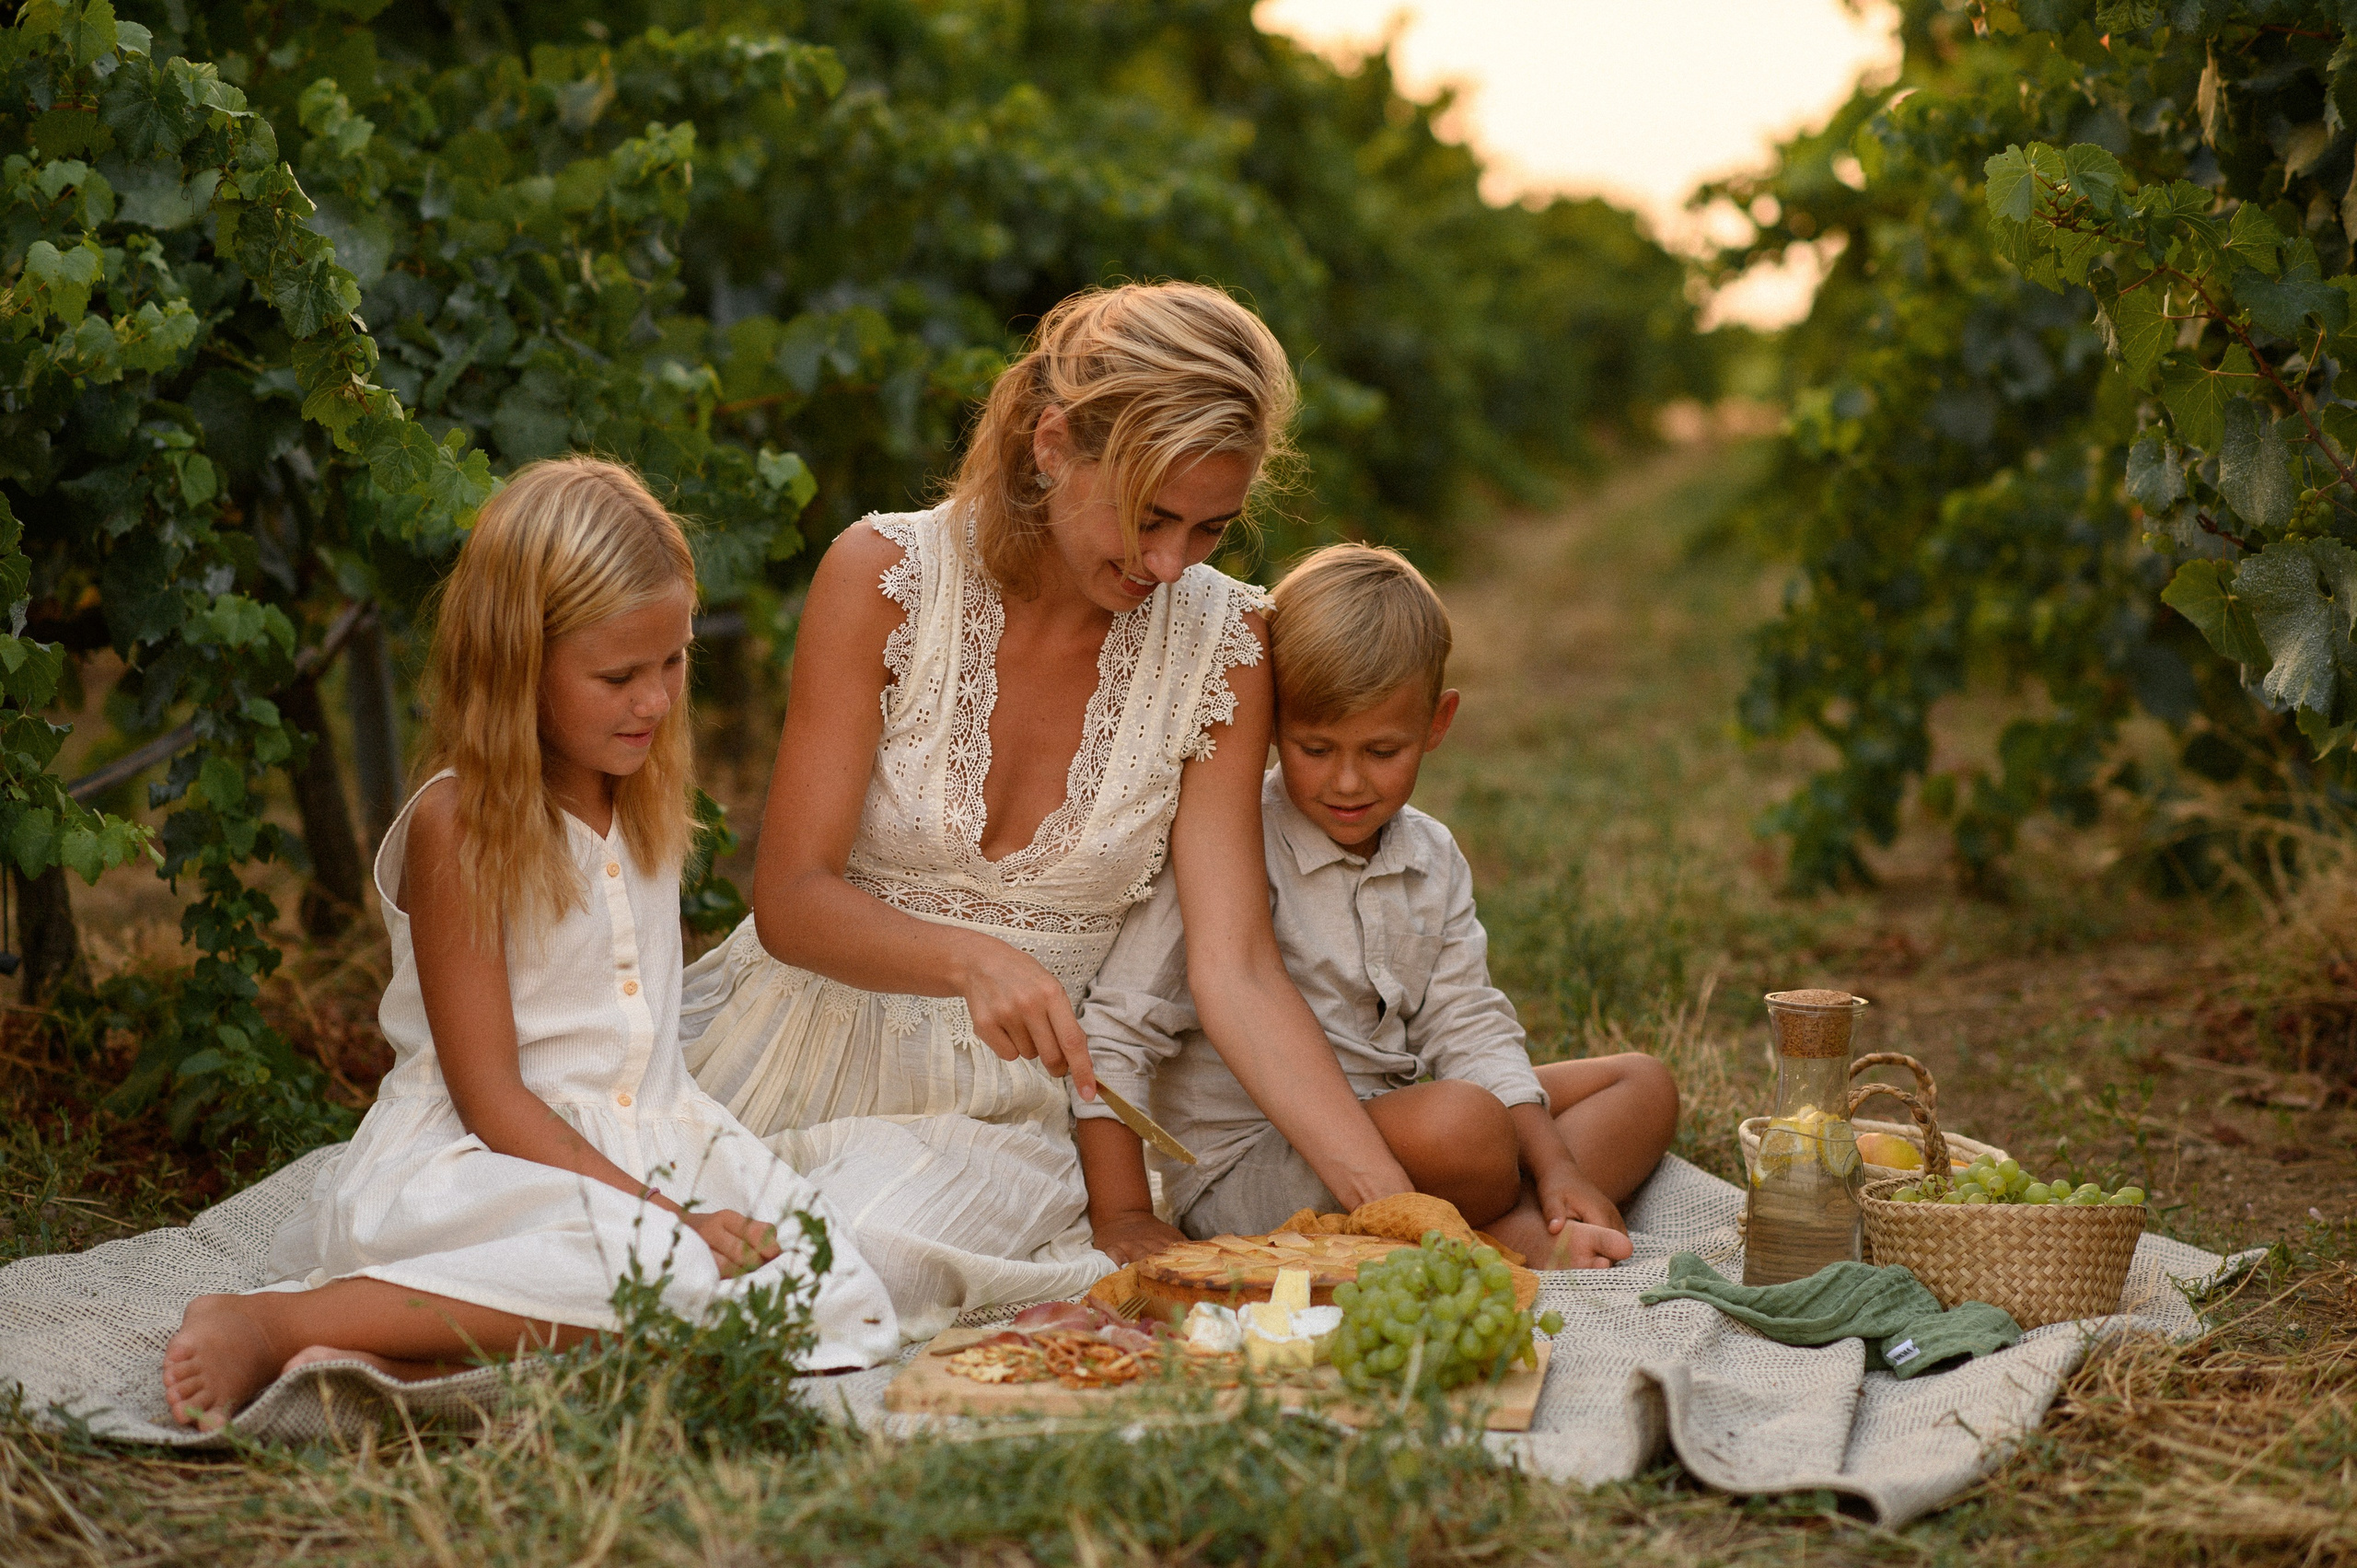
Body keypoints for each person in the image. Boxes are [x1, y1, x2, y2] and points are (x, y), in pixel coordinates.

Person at [679, 283, 1425, 1338]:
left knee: (855, 1261)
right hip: (793, 1043)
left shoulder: (1227, 644)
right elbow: (792, 898)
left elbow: (1235, 967)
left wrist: (1391, 1206)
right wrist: (971, 958)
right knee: (631, 1244)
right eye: (1149, 514)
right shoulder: (882, 574)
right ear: (1053, 443)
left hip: (1018, 1105)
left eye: (1209, 527)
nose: (1169, 563)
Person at [161, 458, 899, 1431]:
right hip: (485, 1159)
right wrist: (672, 1219)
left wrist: (683, 1200)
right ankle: (280, 1318)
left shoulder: (638, 795)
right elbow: (492, 1095)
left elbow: (633, 1053)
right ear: (518, 662)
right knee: (668, 1271)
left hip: (650, 1144)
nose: (654, 702)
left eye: (672, 662)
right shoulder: (461, 822)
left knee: (830, 1293)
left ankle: (407, 1345)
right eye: (618, 676)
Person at [1074, 544, 1679, 1268]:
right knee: (1466, 1124)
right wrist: (1122, 1212)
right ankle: (1503, 1235)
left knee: (1641, 1084)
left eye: (1383, 750)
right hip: (1257, 1168)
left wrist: (1558, 1167)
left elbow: (1468, 1021)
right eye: (1315, 747)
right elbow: (1116, 1029)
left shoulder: (1431, 855)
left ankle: (1514, 1220)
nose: (1349, 781)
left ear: (1437, 723)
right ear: (1270, 722)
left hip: (1403, 1121)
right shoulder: (1227, 846)